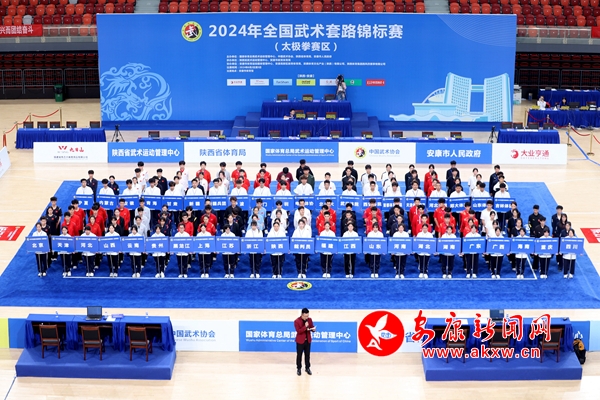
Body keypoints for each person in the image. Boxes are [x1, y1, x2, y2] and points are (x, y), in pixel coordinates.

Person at [294, 308, 315, 376]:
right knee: (299, 355)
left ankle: (307, 368)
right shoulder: (297, 321)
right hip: (300, 341)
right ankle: (299, 368)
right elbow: (299, 331)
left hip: (308, 340)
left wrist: (313, 329)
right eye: (305, 316)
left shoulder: (310, 320)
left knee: (307, 355)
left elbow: (311, 326)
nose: (307, 317)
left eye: (308, 316)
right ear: (302, 315)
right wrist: (305, 327)